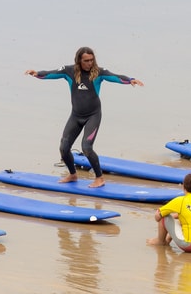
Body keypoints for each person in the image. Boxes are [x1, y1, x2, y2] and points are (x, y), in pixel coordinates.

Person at [25, 46, 143, 188]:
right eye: (86, 60)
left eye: (92, 60)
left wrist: (130, 80)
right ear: (79, 61)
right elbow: (51, 73)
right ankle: (73, 174)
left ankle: (99, 178)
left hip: (93, 115)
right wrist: (36, 73)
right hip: (76, 115)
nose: (89, 63)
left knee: (86, 147)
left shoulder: (99, 73)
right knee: (64, 147)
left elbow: (116, 77)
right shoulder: (69, 71)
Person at [147, 173, 191, 253]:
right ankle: (167, 239)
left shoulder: (181, 201)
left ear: (183, 187)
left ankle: (160, 241)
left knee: (164, 217)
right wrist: (176, 216)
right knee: (185, 218)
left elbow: (157, 216)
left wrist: (169, 217)